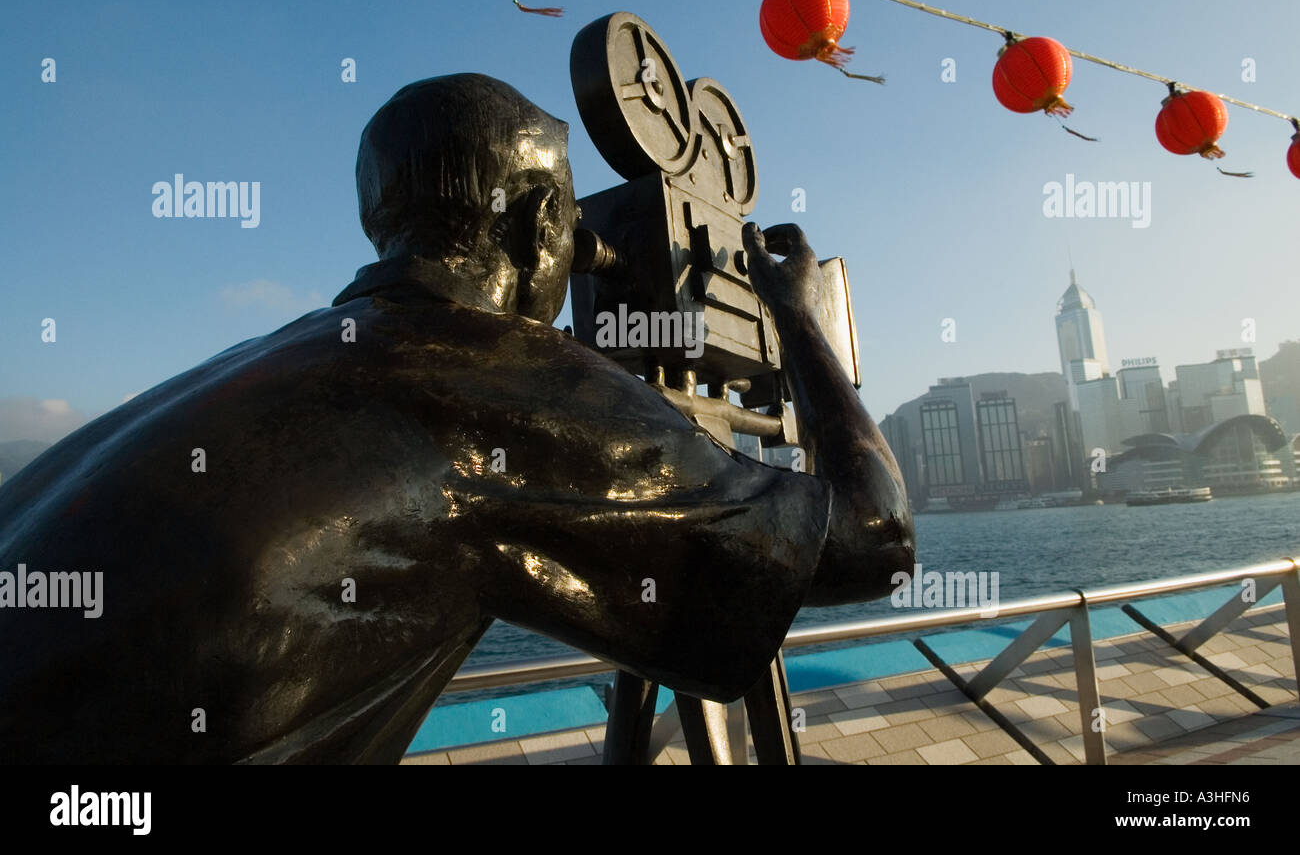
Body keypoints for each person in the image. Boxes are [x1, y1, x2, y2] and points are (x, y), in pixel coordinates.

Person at [0, 73, 912, 763]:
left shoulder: (277, 358)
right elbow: (874, 537)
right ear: (533, 223)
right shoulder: (501, 381)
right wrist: (799, 317)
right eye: (570, 220)